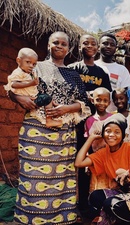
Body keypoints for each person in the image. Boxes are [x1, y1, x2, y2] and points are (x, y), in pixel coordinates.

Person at [9, 31, 91, 225]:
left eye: (64, 44)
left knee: (61, 179)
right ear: (48, 45)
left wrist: (67, 108)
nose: (59, 46)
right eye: (56, 42)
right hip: (36, 131)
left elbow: (86, 103)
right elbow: (13, 86)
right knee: (33, 178)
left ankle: (60, 220)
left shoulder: (73, 74)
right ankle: (30, 220)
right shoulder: (34, 66)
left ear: (69, 49)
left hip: (64, 134)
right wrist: (18, 98)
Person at [68, 34, 112, 216]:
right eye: (85, 43)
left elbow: (107, 97)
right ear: (79, 46)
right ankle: (76, 204)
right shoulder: (72, 69)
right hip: (74, 124)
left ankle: (94, 204)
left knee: (94, 164)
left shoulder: (102, 73)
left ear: (97, 48)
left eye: (93, 43)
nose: (90, 46)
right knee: (75, 163)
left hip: (95, 126)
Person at [4, 47, 62, 127]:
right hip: (30, 100)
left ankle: (52, 106)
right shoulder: (18, 73)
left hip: (33, 96)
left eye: (34, 64)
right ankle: (49, 120)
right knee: (47, 98)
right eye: (28, 62)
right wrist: (31, 83)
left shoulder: (29, 72)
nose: (31, 66)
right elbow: (13, 85)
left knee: (47, 98)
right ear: (18, 60)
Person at [84, 87, 113, 194]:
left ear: (109, 102)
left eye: (105, 101)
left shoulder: (112, 118)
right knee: (96, 186)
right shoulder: (89, 120)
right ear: (92, 100)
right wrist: (87, 161)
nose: (102, 103)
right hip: (96, 160)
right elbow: (88, 142)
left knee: (111, 185)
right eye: (98, 100)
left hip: (111, 159)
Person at [95, 33, 130, 112]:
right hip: (92, 115)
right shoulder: (92, 66)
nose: (108, 46)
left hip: (113, 117)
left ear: (116, 48)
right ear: (98, 47)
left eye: (112, 44)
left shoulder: (122, 70)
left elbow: (127, 94)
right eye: (105, 43)